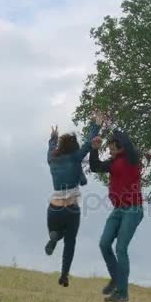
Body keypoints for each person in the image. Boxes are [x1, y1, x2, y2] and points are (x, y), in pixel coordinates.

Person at [45, 115, 101, 287]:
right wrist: (96, 125)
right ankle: (64, 275)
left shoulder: (51, 159)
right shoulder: (75, 157)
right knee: (70, 242)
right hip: (71, 209)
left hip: (54, 207)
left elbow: (51, 147)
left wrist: (54, 137)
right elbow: (89, 142)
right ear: (73, 148)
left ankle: (54, 237)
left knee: (56, 232)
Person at [90, 128, 144, 302]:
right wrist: (94, 148)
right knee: (104, 243)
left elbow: (128, 147)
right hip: (118, 210)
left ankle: (122, 292)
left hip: (133, 210)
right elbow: (94, 166)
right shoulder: (113, 163)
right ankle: (116, 278)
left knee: (121, 248)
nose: (110, 150)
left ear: (122, 147)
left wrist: (118, 135)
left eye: (112, 147)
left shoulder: (132, 159)